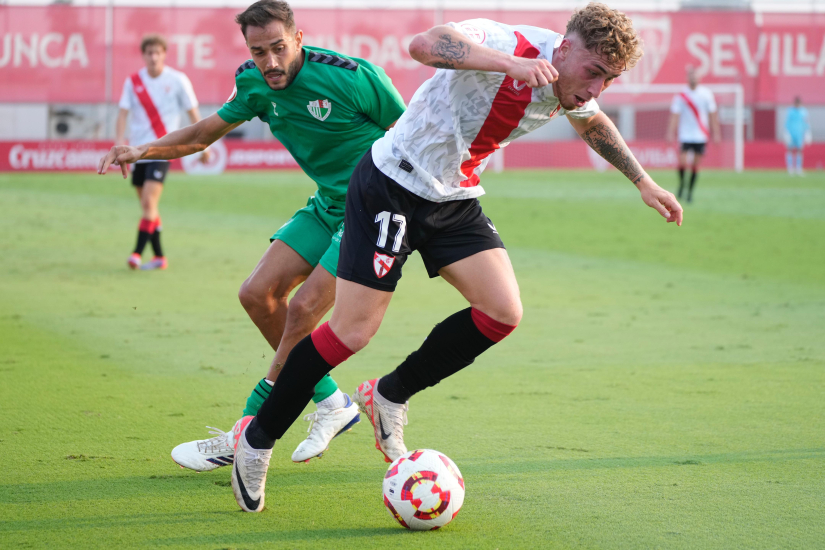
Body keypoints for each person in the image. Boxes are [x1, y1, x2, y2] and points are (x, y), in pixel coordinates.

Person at [229, 3, 683, 513]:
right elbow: (423, 44)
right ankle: (258, 440)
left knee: (502, 312)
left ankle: (387, 395)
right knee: (352, 333)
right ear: (565, 46)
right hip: (392, 185)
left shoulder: (572, 84)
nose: (598, 87)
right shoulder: (512, 45)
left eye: (611, 78)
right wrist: (508, 65)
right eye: (595, 73)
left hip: (452, 197)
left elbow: (590, 120)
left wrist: (643, 181)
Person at [98, 0, 406, 469]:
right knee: (257, 294)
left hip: (371, 210)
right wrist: (142, 150)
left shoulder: (354, 77)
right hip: (326, 203)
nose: (270, 62)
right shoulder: (253, 83)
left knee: (302, 309)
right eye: (259, 51)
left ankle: (247, 430)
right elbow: (203, 135)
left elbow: (411, 139)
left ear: (299, 38)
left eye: (278, 48)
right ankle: (332, 404)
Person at [116, 34, 207, 271]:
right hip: (136, 151)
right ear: (144, 55)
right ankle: (159, 257)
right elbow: (123, 114)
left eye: (158, 52)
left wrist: (204, 145)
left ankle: (136, 253)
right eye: (149, 53)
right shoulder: (133, 81)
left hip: (162, 150)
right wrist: (119, 142)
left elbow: (192, 112)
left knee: (148, 202)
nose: (154, 57)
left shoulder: (178, 80)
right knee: (149, 209)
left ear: (164, 54)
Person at [665, 65, 720, 203]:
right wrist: (671, 132)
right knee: (682, 162)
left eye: (695, 75)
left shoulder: (706, 94)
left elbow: (712, 114)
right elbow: (675, 115)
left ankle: (690, 192)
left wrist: (716, 132)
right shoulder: (681, 95)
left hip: (701, 135)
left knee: (696, 165)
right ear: (687, 78)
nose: (693, 78)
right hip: (685, 135)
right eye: (691, 75)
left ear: (699, 77)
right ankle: (682, 184)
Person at [784, 96, 811, 176]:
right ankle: (790, 168)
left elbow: (806, 122)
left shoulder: (804, 111)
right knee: (790, 149)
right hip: (791, 133)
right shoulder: (790, 111)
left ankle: (798, 168)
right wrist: (786, 132)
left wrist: (808, 132)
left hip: (800, 133)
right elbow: (787, 122)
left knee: (799, 150)